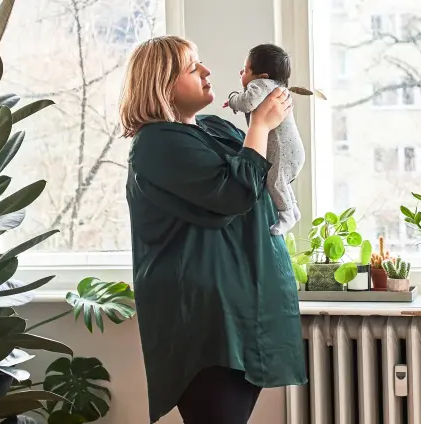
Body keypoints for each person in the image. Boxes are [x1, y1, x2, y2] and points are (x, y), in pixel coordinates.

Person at [121, 35, 306, 424]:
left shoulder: (214, 129)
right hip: (204, 322)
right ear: (162, 84)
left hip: (243, 315)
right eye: (193, 68)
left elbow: (262, 175)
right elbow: (234, 194)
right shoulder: (156, 144)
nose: (207, 72)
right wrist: (259, 123)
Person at [225, 44, 304, 236]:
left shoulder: (260, 86)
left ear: (262, 76)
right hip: (293, 150)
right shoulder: (278, 88)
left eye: (245, 70)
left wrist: (233, 98)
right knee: (281, 181)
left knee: (275, 182)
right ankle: (292, 208)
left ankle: (286, 216)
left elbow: (247, 102)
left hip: (283, 151)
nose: (241, 72)